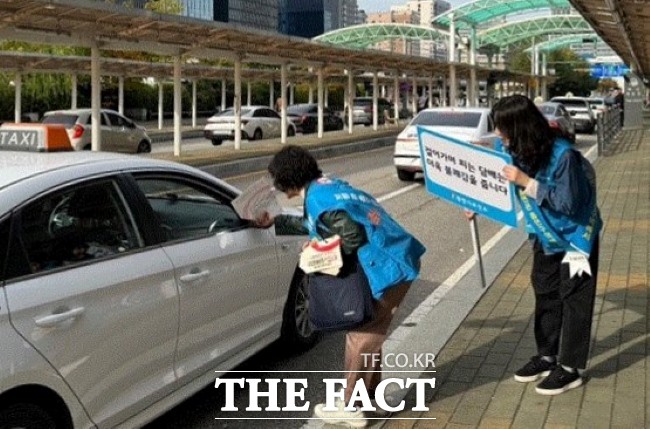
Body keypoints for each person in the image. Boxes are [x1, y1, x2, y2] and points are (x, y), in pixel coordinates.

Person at [255, 145, 426, 427]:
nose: (276, 187)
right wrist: (277, 221)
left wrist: (318, 251)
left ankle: (351, 406)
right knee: (370, 334)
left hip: (389, 267)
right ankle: (370, 400)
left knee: (361, 336)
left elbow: (350, 237)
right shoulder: (326, 186)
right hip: (397, 256)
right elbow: (322, 222)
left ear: (288, 179)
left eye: (277, 180)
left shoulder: (319, 200)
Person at [489, 94, 602, 395]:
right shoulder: (512, 148)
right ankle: (547, 355)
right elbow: (496, 182)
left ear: (521, 127)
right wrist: (478, 203)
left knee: (575, 298)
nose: (499, 135)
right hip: (545, 237)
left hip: (577, 237)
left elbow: (569, 202)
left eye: (503, 128)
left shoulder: (563, 156)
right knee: (546, 292)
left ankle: (570, 367)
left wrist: (527, 181)